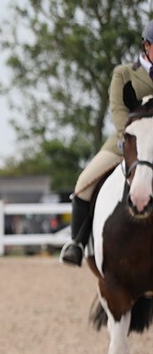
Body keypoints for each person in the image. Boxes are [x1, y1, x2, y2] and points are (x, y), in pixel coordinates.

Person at [61, 20, 153, 266]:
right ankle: (77, 243)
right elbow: (118, 109)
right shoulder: (124, 73)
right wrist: (132, 136)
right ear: (147, 46)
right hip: (129, 141)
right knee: (83, 183)